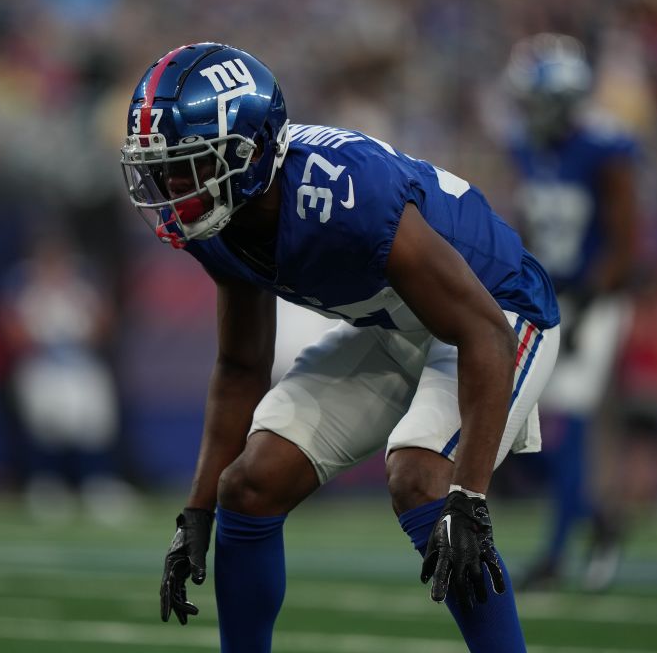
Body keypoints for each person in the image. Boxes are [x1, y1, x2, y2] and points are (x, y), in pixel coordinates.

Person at [120, 42, 561, 653]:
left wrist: (471, 495)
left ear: (246, 155)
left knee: (424, 480)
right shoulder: (218, 215)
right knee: (249, 484)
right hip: (396, 323)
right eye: (163, 166)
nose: (170, 186)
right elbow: (242, 363)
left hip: (498, 310)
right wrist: (197, 512)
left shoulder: (342, 193)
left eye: (186, 165)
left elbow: (482, 331)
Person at [501, 34, 640, 592]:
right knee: (520, 429)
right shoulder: (526, 146)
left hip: (596, 300)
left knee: (568, 422)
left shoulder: (605, 148)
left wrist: (585, 304)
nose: (525, 111)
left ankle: (556, 555)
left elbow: (625, 242)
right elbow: (529, 225)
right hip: (547, 296)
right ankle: (599, 521)